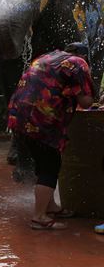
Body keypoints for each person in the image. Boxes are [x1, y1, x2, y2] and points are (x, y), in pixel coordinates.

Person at [7, 43, 94, 230]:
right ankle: (39, 217)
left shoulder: (47, 56)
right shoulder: (78, 63)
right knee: (50, 166)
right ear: (83, 55)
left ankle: (51, 206)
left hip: (19, 116)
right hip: (42, 120)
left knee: (43, 160)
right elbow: (86, 102)